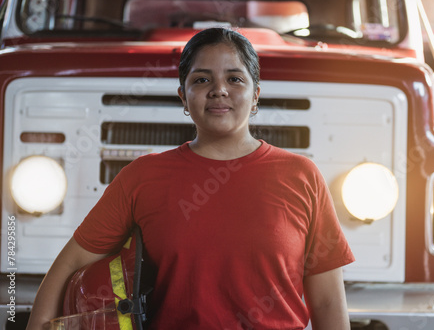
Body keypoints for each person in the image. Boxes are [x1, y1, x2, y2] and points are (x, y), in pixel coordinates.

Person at [27, 27, 354, 330]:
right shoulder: (142, 177)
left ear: (256, 96)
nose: (219, 90)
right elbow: (69, 267)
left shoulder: (302, 176)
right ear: (183, 97)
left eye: (235, 79)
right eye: (201, 80)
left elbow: (326, 301)